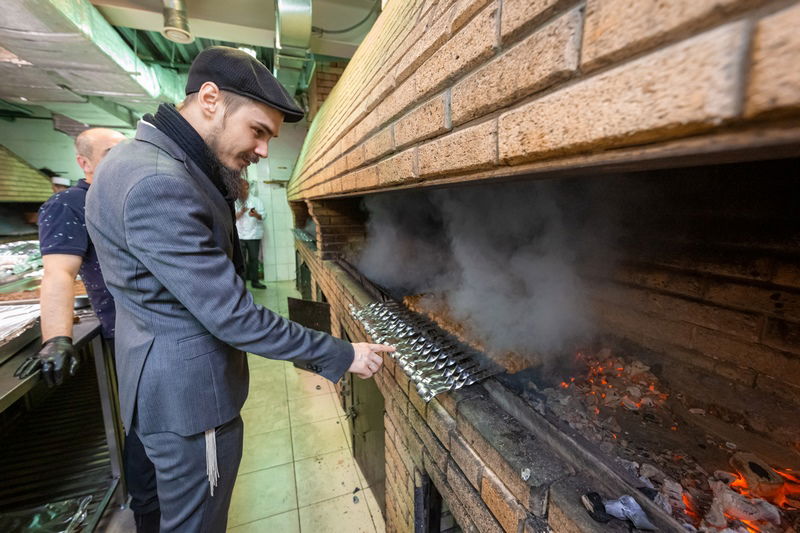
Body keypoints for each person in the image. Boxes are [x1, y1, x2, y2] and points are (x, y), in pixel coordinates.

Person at [84, 46, 394, 532]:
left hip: (156, 381)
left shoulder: (131, 158)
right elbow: (233, 316)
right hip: (190, 401)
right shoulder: (158, 182)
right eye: (258, 131)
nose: (263, 150)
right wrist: (342, 353)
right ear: (210, 99)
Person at [15, 128, 161, 532]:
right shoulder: (69, 204)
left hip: (160, 333)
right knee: (146, 436)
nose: (123, 159)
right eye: (111, 152)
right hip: (131, 339)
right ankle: (150, 516)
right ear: (85, 163)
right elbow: (59, 274)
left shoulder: (126, 196)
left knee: (164, 432)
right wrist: (57, 338)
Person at [235, 180, 267, 289]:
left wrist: (256, 214)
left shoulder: (256, 201)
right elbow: (232, 217)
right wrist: (241, 212)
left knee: (254, 259)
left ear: (247, 187)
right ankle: (242, 284)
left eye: (242, 187)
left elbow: (263, 216)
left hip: (254, 235)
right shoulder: (235, 202)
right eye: (239, 188)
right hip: (240, 235)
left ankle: (255, 282)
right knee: (241, 261)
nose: (240, 190)